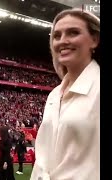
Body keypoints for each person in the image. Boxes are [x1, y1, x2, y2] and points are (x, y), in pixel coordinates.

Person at [30, 9, 100, 180]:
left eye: (73, 33)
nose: (63, 41)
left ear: (95, 40)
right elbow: (43, 160)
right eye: (57, 35)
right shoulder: (54, 95)